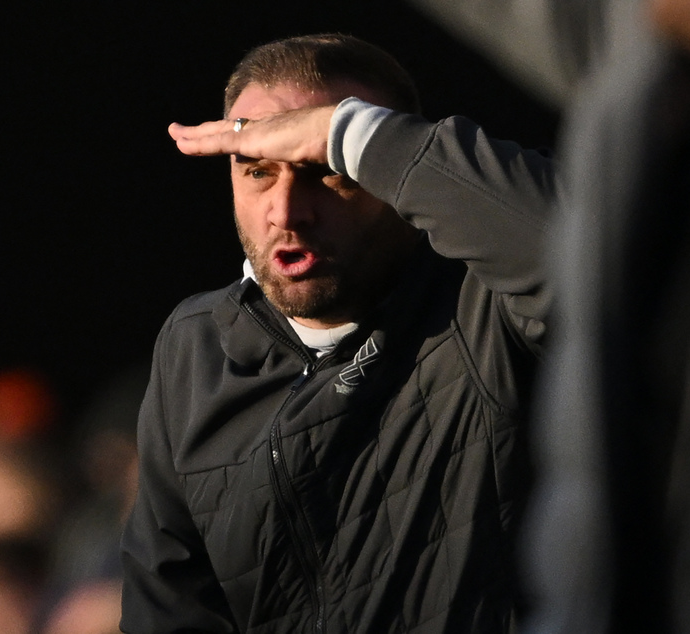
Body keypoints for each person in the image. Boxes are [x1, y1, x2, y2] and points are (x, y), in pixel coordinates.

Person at [120, 33, 556, 633]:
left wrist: (348, 132)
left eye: (326, 169)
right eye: (257, 171)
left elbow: (586, 255)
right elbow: (168, 613)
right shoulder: (193, 348)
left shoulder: (484, 303)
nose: (286, 211)